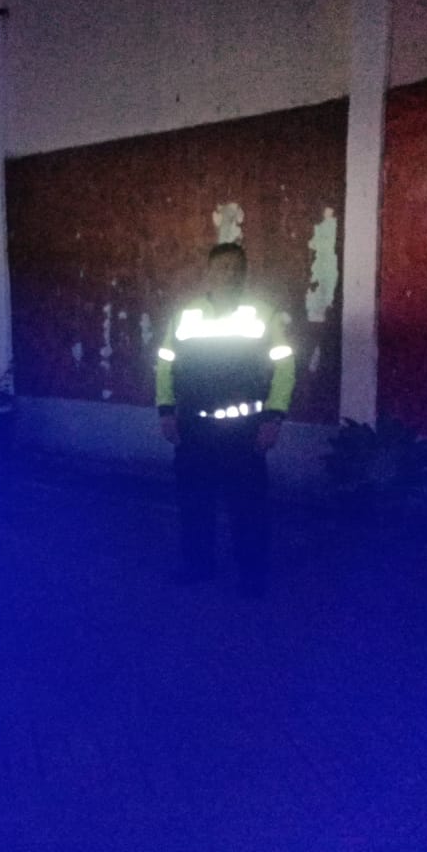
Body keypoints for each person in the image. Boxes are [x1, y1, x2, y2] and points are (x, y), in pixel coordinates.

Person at [155, 242, 295, 596]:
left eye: (235, 268)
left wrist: (274, 418)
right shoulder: (185, 315)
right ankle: (197, 565)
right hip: (194, 426)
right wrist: (166, 411)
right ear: (209, 273)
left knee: (247, 505)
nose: (228, 273)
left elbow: (284, 367)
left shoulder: (264, 315)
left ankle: (252, 576)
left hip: (244, 429)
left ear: (244, 274)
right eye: (222, 267)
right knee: (194, 501)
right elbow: (165, 364)